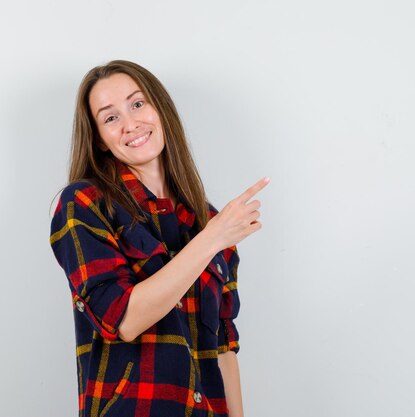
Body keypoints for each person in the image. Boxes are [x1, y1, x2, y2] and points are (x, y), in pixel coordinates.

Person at [49, 59, 269, 417]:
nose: (130, 123)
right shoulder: (84, 203)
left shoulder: (210, 222)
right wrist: (211, 240)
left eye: (137, 104)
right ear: (100, 140)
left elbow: (224, 349)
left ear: (160, 109)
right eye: (110, 117)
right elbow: (124, 320)